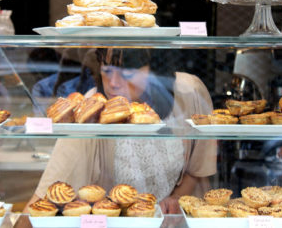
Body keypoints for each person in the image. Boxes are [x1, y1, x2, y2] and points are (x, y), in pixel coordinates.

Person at [16, 48, 216, 226]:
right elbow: (46, 194)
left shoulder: (189, 91)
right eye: (107, 70)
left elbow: (198, 167)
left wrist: (176, 198)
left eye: (127, 72)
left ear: (154, 70)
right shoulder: (92, 111)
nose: (113, 84)